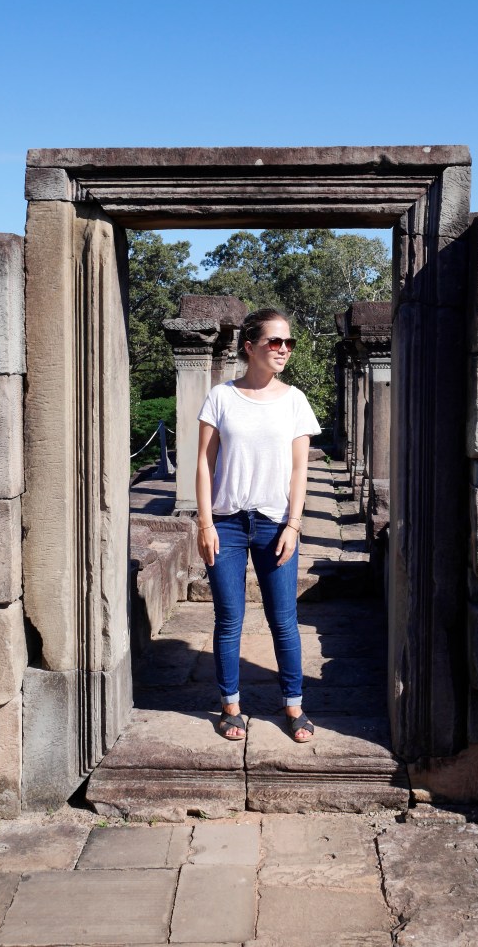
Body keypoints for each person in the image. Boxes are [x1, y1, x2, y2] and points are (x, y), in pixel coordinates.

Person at [195, 307, 321, 743]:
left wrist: (294, 525)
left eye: (289, 342)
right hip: (226, 524)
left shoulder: (295, 400)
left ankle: (294, 705)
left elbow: (300, 471)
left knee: (283, 619)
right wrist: (205, 524)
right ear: (250, 347)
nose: (284, 349)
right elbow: (203, 464)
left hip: (275, 523)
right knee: (229, 618)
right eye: (275, 341)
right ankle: (231, 706)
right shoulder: (221, 397)